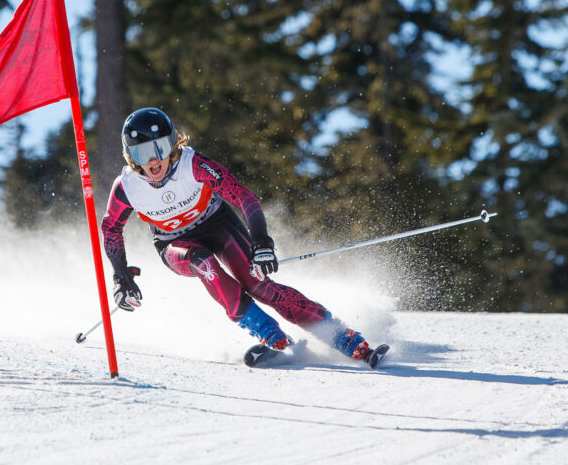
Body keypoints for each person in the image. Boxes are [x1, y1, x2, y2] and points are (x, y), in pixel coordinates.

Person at [101, 107, 386, 366]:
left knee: (259, 285)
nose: (152, 161)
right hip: (174, 244)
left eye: (159, 148)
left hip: (218, 224)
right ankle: (273, 338)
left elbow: (242, 196)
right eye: (141, 153)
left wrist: (261, 241)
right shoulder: (127, 187)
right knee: (204, 263)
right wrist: (120, 276)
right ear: (130, 156)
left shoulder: (194, 165)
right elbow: (111, 228)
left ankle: (343, 337)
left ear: (173, 144)